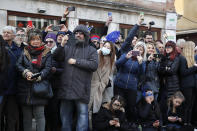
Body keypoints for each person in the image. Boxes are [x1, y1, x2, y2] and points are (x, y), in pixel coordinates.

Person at [53, 24, 98, 131]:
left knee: (82, 116)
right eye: (76, 33)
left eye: (81, 33)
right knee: (65, 116)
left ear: (85, 36)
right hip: (66, 88)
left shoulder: (91, 50)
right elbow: (56, 57)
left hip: (81, 89)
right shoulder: (68, 47)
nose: (78, 35)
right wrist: (62, 45)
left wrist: (76, 62)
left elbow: (94, 65)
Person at [16, 29, 52, 131]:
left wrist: (39, 76)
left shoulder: (47, 52)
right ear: (29, 40)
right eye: (33, 39)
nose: (35, 41)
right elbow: (18, 65)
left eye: (38, 39)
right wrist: (26, 72)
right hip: (25, 89)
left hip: (40, 88)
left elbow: (48, 68)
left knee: (40, 116)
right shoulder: (24, 51)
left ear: (41, 40)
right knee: (26, 117)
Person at [114, 41, 146, 123]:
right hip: (119, 85)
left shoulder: (142, 62)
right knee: (118, 104)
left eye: (141, 49)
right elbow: (117, 65)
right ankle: (117, 123)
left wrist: (140, 63)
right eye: (137, 48)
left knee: (131, 107)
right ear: (133, 48)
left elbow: (141, 74)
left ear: (143, 52)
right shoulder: (125, 55)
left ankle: (129, 124)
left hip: (131, 87)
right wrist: (126, 58)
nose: (138, 50)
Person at [88, 41, 116, 128]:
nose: (106, 49)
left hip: (100, 89)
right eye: (105, 46)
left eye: (108, 48)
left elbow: (110, 75)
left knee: (94, 111)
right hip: (91, 86)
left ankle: (91, 127)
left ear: (111, 51)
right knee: (86, 111)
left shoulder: (112, 61)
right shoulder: (96, 55)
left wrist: (103, 84)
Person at [1, 26, 21, 131]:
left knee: (11, 118)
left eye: (8, 32)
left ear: (14, 35)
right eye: (4, 32)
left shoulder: (18, 50)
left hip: (13, 90)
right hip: (1, 89)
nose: (6, 34)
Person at [44, 33, 63, 131]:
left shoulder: (60, 51)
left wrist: (56, 70)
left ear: (55, 42)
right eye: (46, 41)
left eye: (51, 41)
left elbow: (64, 69)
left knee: (55, 110)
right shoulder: (43, 52)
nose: (48, 43)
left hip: (56, 86)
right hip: (44, 86)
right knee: (45, 111)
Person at [159, 41, 180, 125]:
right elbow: (160, 70)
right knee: (163, 106)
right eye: (166, 47)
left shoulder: (176, 58)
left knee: (172, 106)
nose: (167, 49)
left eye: (170, 47)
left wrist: (166, 69)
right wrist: (166, 68)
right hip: (164, 85)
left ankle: (171, 125)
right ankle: (164, 124)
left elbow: (172, 70)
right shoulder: (164, 57)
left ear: (173, 48)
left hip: (173, 85)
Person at [179, 41, 197, 126]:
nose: (194, 49)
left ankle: (189, 123)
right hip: (186, 85)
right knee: (187, 105)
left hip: (192, 85)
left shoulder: (191, 58)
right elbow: (183, 72)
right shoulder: (182, 58)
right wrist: (194, 67)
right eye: (193, 47)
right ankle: (185, 123)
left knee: (191, 106)